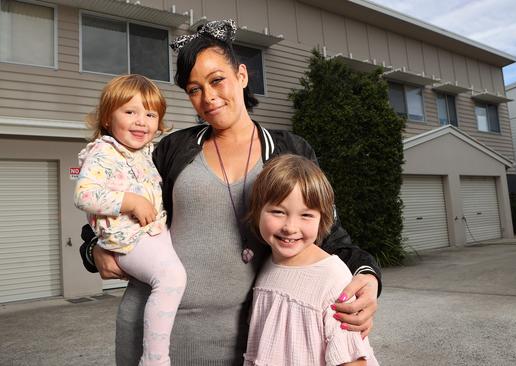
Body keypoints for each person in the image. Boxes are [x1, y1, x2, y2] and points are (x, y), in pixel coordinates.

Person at [79, 19, 382, 365]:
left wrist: (367, 276)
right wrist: (93, 248)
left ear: (241, 75)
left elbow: (329, 235)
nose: (208, 97)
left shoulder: (290, 151)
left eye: (217, 80)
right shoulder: (170, 149)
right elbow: (108, 197)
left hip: (246, 339)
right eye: (194, 89)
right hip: (154, 335)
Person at [74, 74, 186, 366]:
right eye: (130, 111)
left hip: (152, 232)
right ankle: (155, 359)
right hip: (128, 238)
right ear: (108, 119)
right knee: (171, 277)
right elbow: (84, 195)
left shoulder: (146, 153)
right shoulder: (104, 151)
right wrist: (130, 201)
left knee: (172, 274)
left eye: (150, 114)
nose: (141, 121)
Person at [244, 154, 379, 366]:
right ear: (257, 212)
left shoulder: (333, 276)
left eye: (306, 215)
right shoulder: (266, 263)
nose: (290, 227)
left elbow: (353, 361)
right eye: (278, 212)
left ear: (322, 219)